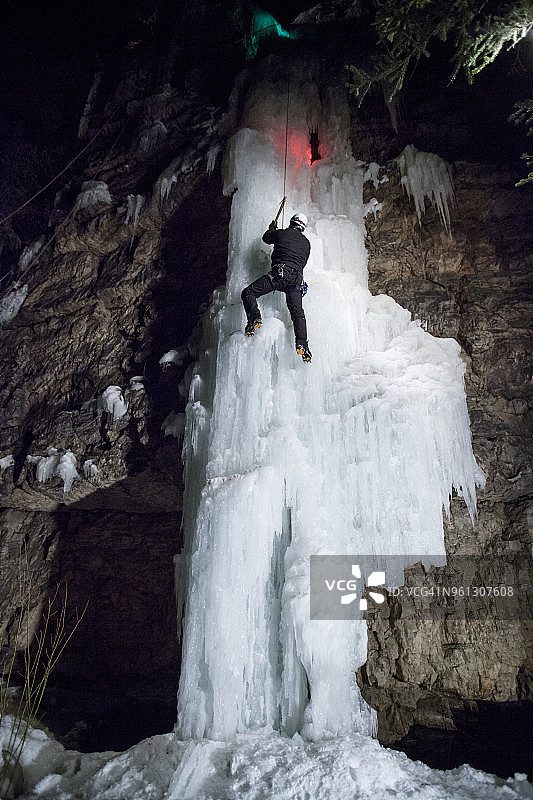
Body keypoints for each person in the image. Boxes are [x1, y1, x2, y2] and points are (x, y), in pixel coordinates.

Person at [241, 213, 312, 362]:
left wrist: (272, 228)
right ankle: (303, 344)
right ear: (303, 227)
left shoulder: (282, 233)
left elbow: (266, 238)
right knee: (297, 313)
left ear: (292, 222)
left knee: (249, 292)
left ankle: (255, 318)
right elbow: (302, 261)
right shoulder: (307, 244)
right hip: (296, 281)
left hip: (280, 274)